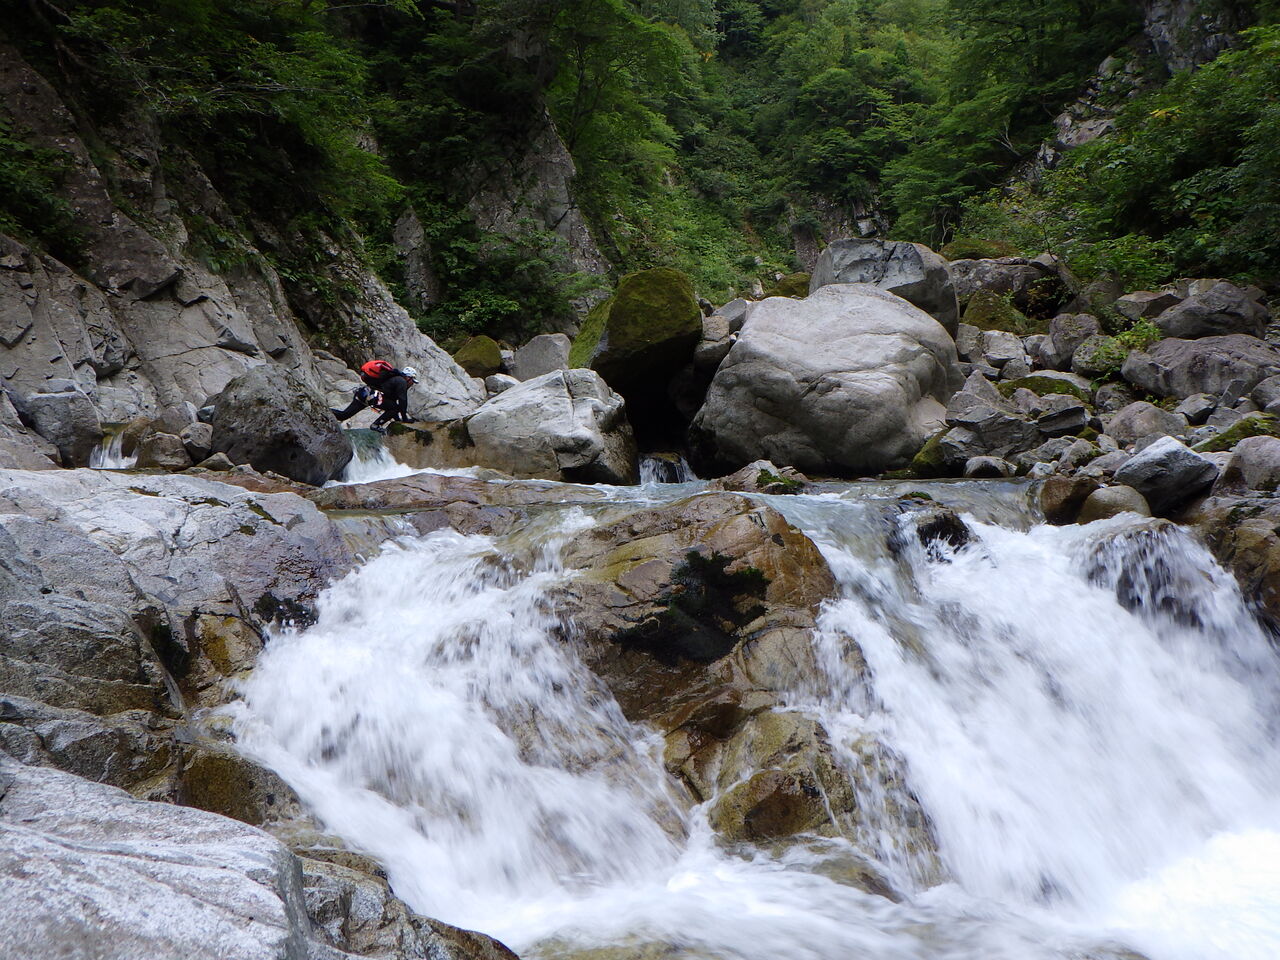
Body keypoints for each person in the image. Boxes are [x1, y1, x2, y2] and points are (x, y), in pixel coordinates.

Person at [332, 361, 419, 432]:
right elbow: (403, 401)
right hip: (373, 397)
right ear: (408, 378)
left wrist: (397, 420)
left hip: (363, 393)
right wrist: (405, 419)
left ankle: (326, 410)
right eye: (413, 381)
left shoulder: (394, 379)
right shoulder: (402, 382)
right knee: (396, 408)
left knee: (343, 415)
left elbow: (392, 404)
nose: (412, 384)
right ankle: (376, 425)